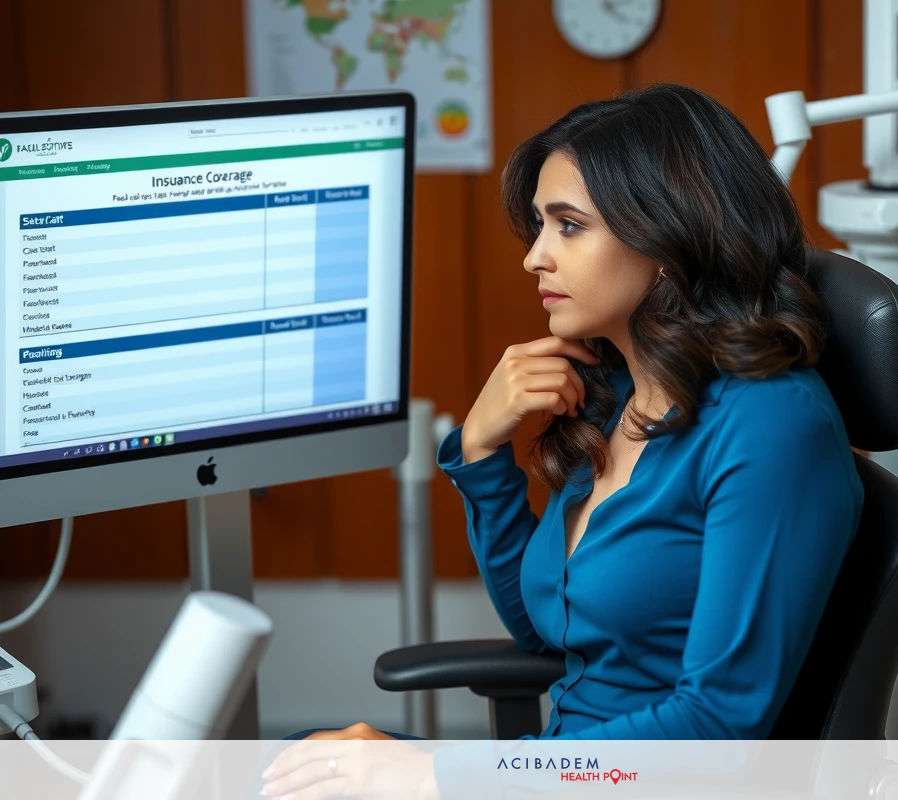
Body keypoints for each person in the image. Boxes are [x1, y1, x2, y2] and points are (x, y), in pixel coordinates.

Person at [262, 83, 864, 799]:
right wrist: (482, 445)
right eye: (540, 228)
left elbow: (716, 731)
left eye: (569, 226)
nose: (535, 258)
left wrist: (444, 774)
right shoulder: (618, 392)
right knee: (305, 762)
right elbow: (548, 626)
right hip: (558, 772)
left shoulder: (770, 425)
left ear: (668, 235)